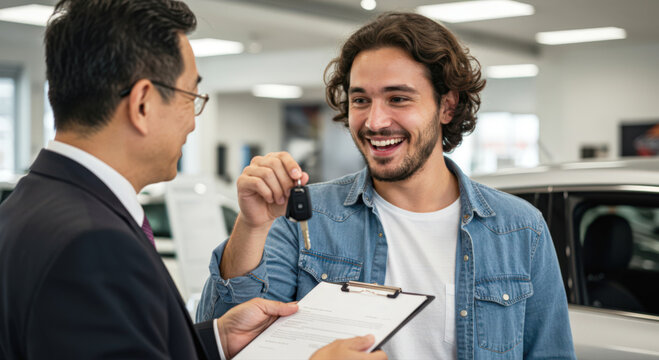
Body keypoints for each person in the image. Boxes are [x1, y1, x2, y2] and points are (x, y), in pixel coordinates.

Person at [0, 1, 386, 359]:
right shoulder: (93, 244)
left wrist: (214, 339)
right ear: (143, 103)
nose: (193, 118)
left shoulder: (28, 206)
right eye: (190, 96)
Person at [197, 12, 576, 360]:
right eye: (361, 99)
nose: (375, 121)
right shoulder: (304, 217)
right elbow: (231, 343)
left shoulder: (520, 229)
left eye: (398, 98)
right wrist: (251, 226)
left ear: (446, 106)